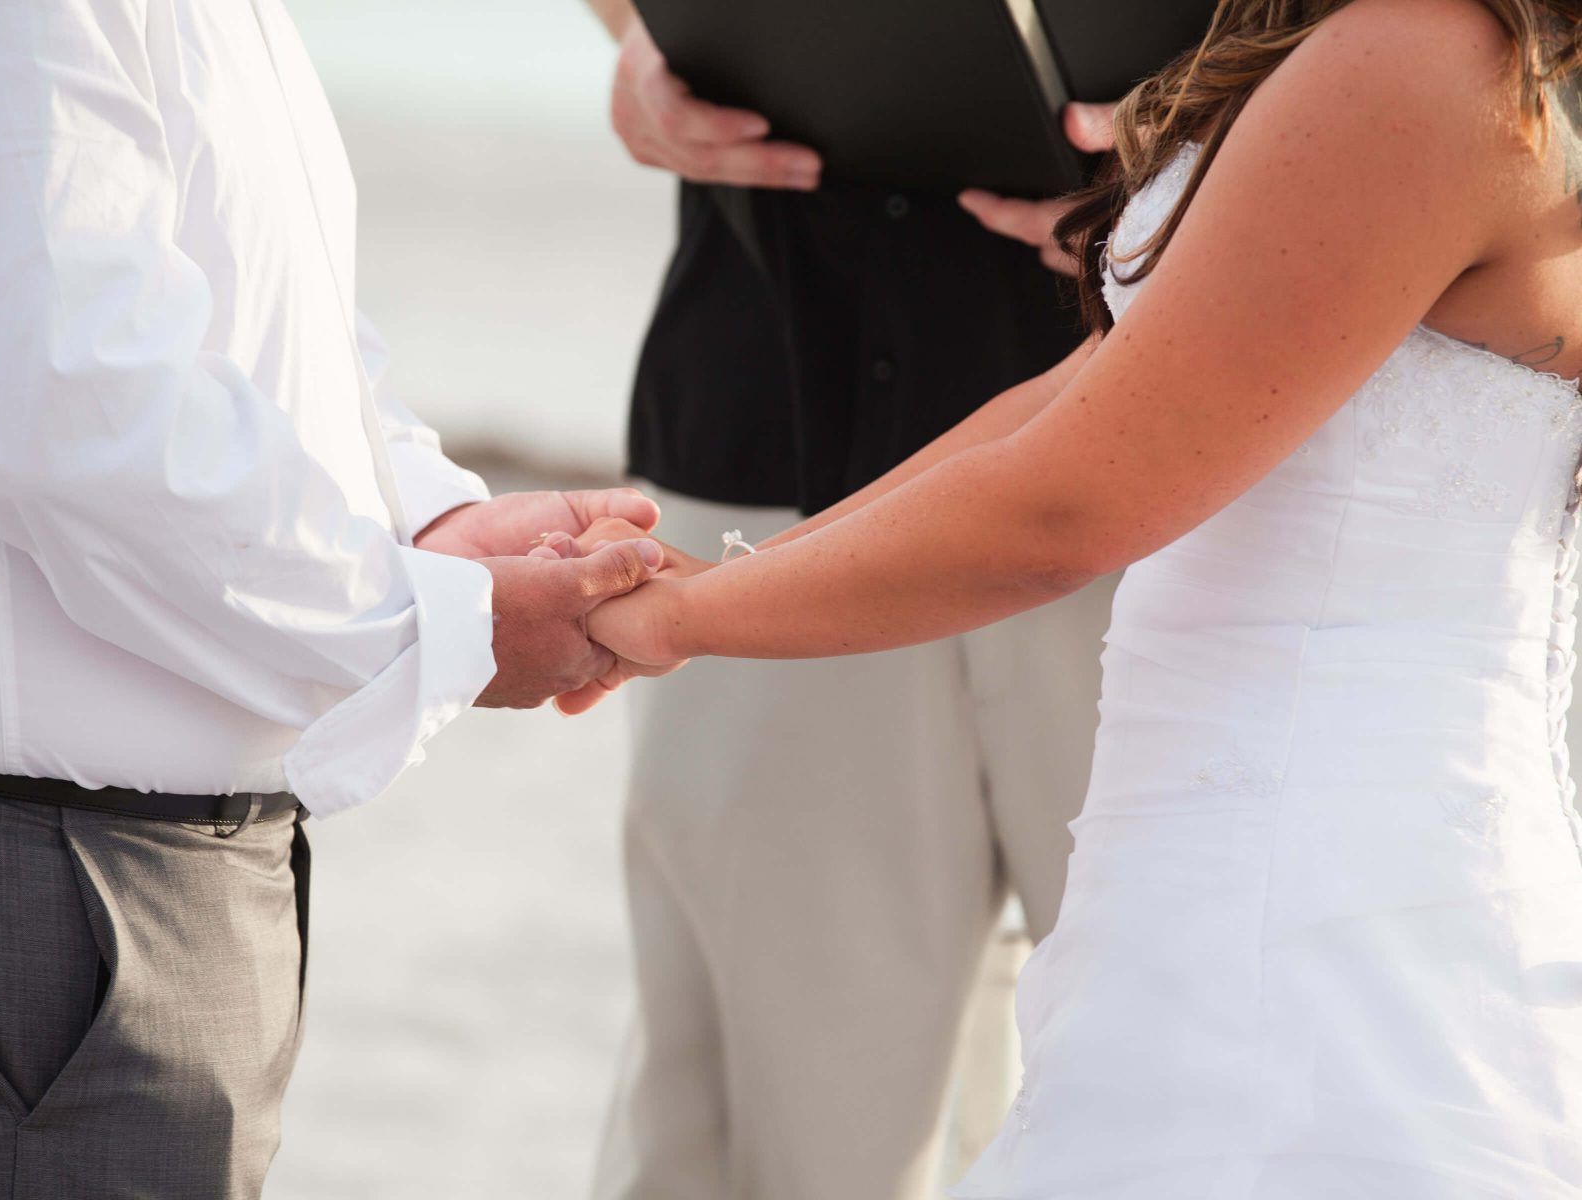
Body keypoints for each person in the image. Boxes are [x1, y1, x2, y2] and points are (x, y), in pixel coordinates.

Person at [584, 0, 1582, 1193]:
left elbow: (1070, 506)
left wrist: (674, 623)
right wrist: (712, 584)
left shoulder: (1423, 54)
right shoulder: (1382, 42)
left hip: (1313, 887)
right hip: (1205, 858)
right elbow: (1074, 397)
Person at [0, 3, 667, 1196]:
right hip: (11, 912)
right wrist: (443, 623)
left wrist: (426, 525)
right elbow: (83, 410)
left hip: (98, 887)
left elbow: (251, 322)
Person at [579, 3, 1133, 1196]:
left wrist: (1237, 148)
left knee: (1180, 1092)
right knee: (762, 1123)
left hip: (1188, 467)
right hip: (773, 434)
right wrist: (639, 41)